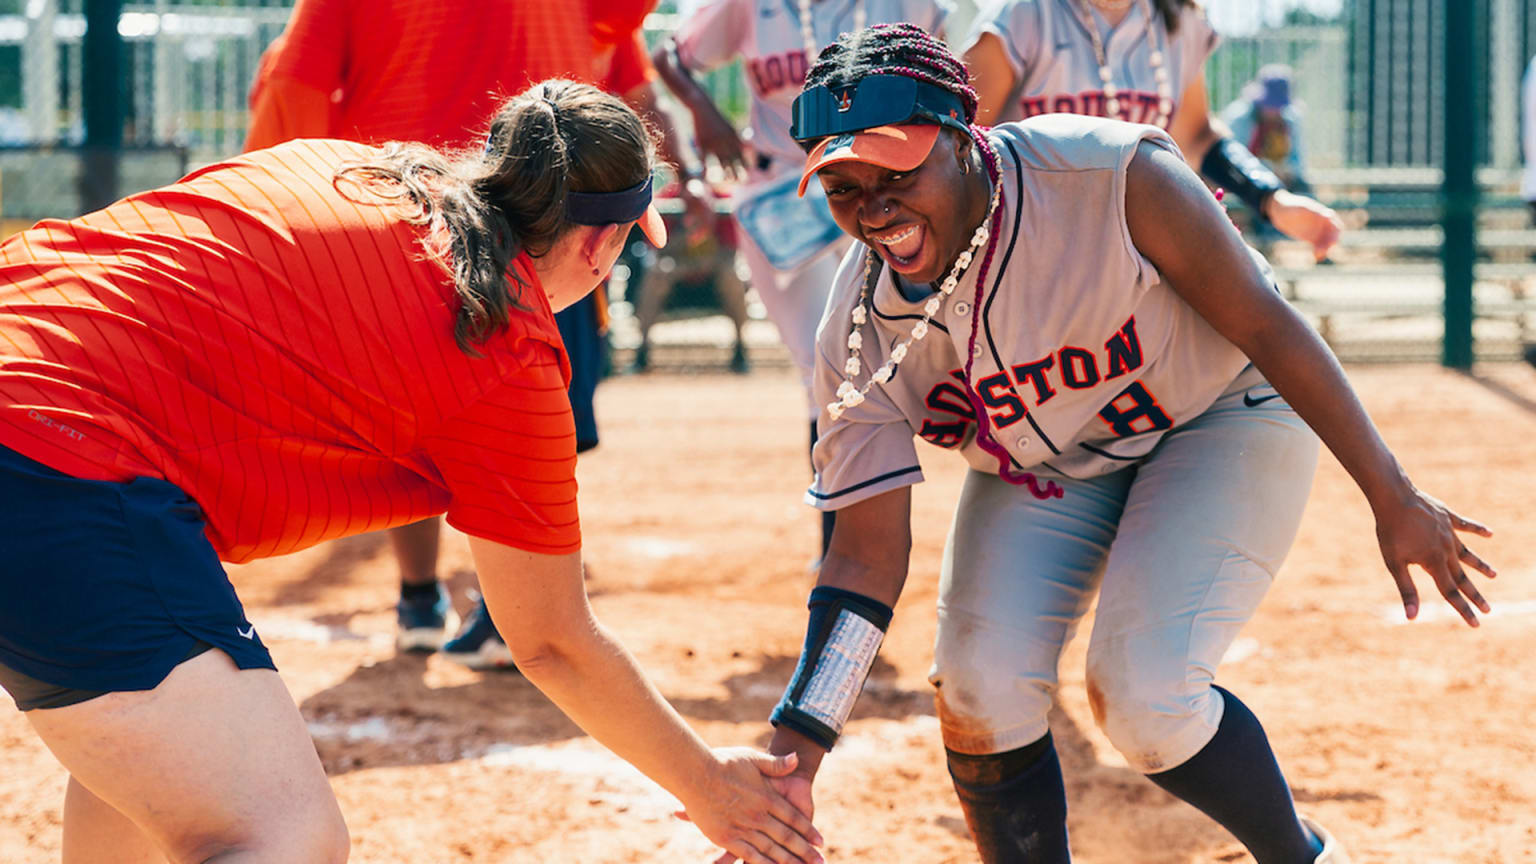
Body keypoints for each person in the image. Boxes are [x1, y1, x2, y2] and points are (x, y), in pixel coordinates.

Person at [0, 80, 824, 864]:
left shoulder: (355, 164)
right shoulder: (505, 348)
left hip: (35, 385)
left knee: (149, 767)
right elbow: (550, 641)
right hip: (56, 458)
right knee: (287, 834)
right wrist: (710, 786)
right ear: (603, 241)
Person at [757, 25, 1498, 864]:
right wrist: (797, 748)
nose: (874, 207)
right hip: (1052, 467)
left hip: (1217, 413)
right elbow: (860, 562)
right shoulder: (855, 333)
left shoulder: (1109, 176)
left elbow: (1266, 322)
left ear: (966, 138)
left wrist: (1391, 493)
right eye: (844, 187)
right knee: (978, 686)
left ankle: (1303, 859)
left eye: (899, 172)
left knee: (1146, 697)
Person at [652, 0, 952, 562]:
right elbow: (670, 55)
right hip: (784, 194)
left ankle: (857, 537)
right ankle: (841, 544)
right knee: (825, 370)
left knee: (884, 365)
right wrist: (703, 111)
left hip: (884, 193)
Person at [962, 0, 1345, 262]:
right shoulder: (1025, 15)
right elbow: (962, 137)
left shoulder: (1176, 19)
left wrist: (1270, 199)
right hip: (1029, 250)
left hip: (1137, 253)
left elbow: (1197, 136)